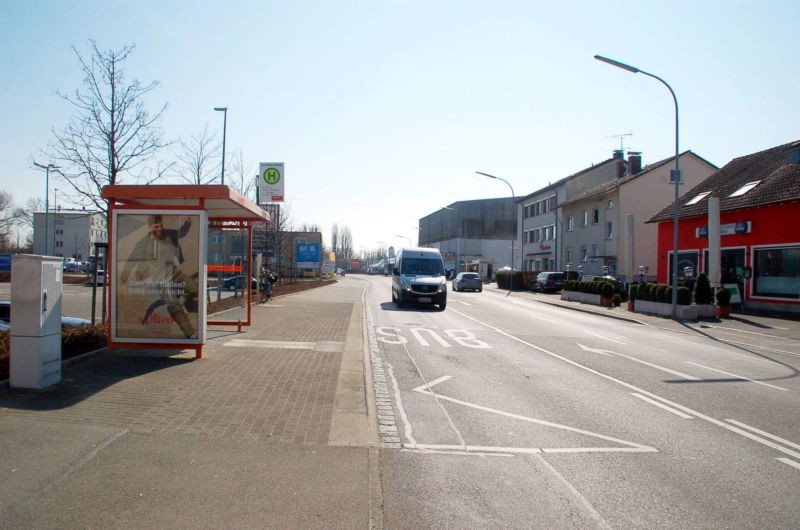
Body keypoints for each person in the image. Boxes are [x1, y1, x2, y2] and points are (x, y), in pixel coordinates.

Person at [118, 214, 198, 339]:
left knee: (194, 289)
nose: (159, 229)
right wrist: (123, 282)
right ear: (150, 227)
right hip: (160, 279)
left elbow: (180, 233)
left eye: (161, 226)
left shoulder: (168, 234)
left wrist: (188, 222)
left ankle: (182, 300)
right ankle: (190, 333)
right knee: (174, 306)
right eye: (156, 227)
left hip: (174, 273)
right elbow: (130, 262)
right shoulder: (143, 243)